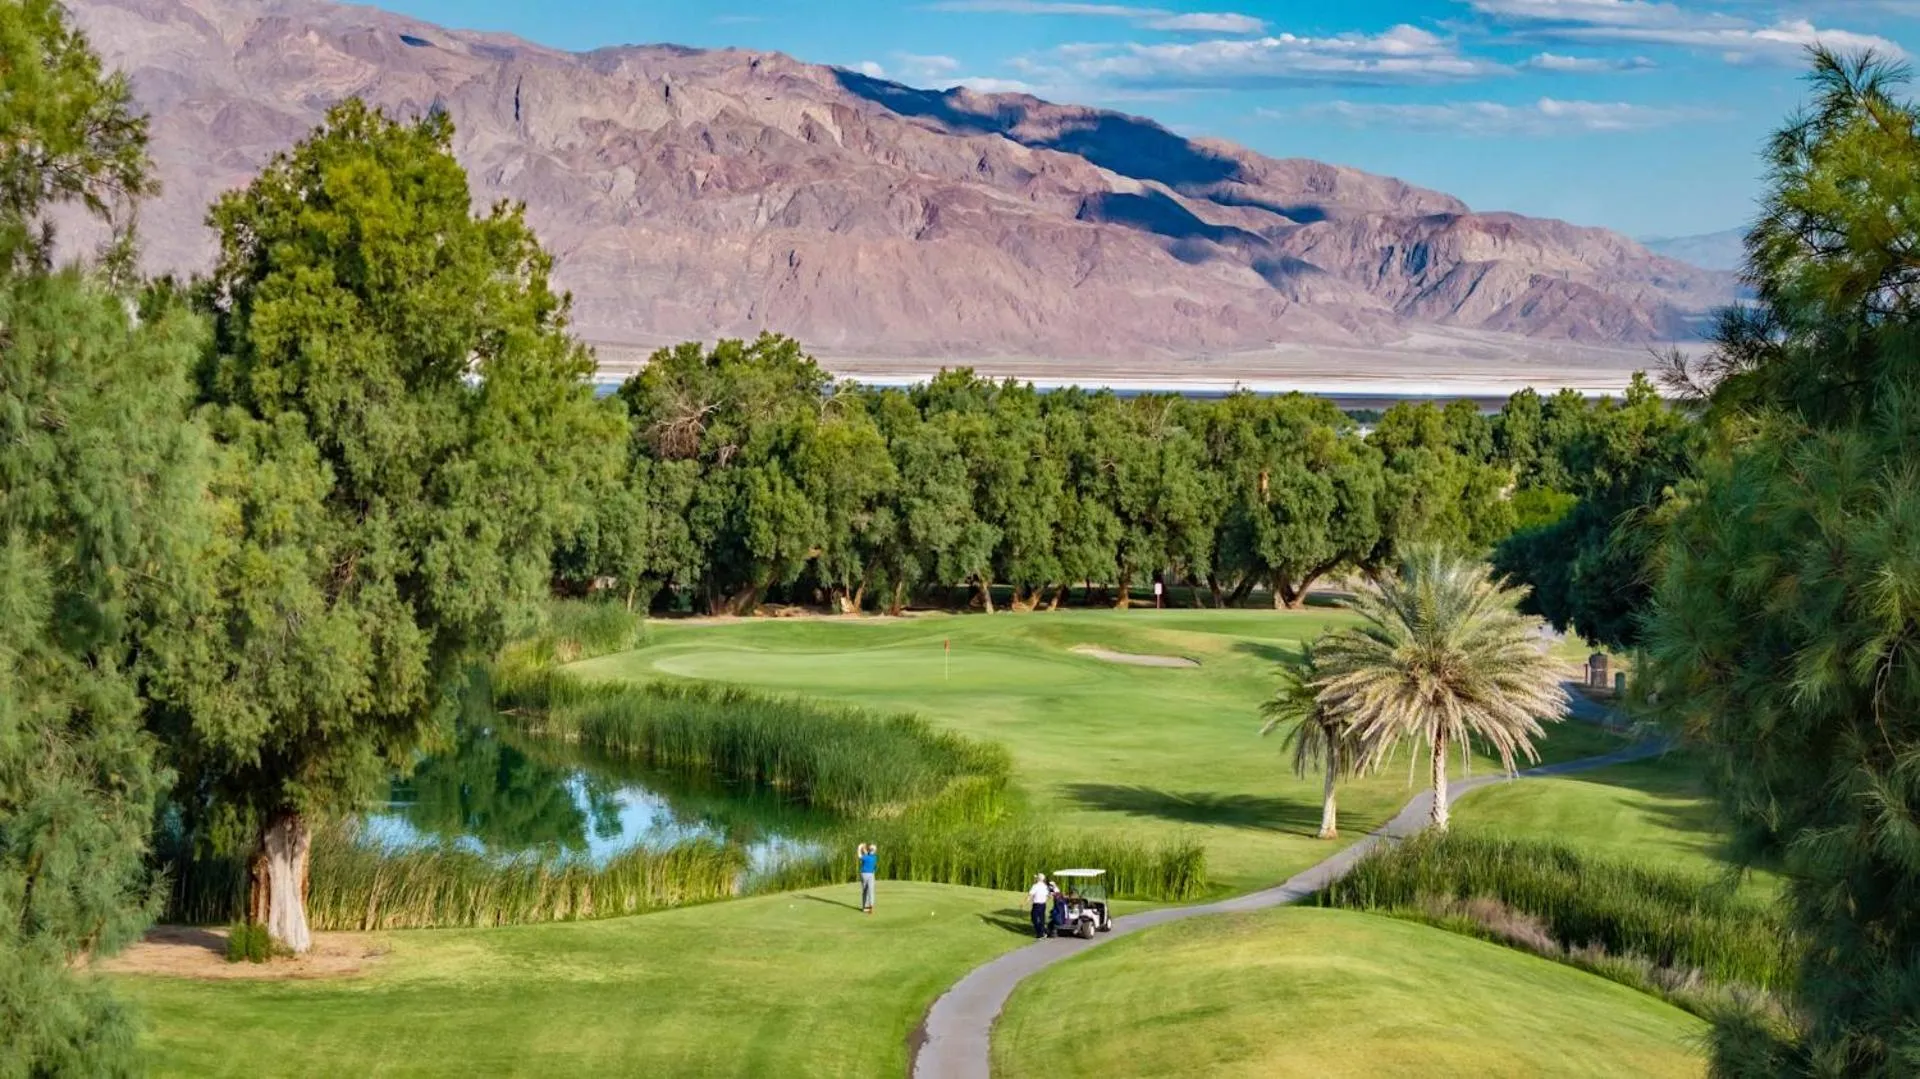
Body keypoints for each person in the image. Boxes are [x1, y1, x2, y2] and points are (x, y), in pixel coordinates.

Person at [1027, 873, 1050, 939]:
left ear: (1038, 879)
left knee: (1034, 918)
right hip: (1043, 904)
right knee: (1041, 919)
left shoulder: (1035, 886)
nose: (1035, 879)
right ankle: (1043, 932)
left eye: (1036, 878)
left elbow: (1030, 895)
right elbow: (1048, 896)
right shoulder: (1045, 886)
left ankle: (1040, 933)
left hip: (1037, 905)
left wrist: (1025, 902)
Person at [857, 843, 878, 914]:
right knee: (871, 890)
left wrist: (859, 848)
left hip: (863, 874)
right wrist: (863, 848)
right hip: (871, 874)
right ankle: (870, 907)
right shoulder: (874, 857)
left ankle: (865, 908)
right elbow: (866, 853)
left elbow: (860, 856)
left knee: (865, 891)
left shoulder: (866, 857)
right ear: (874, 851)